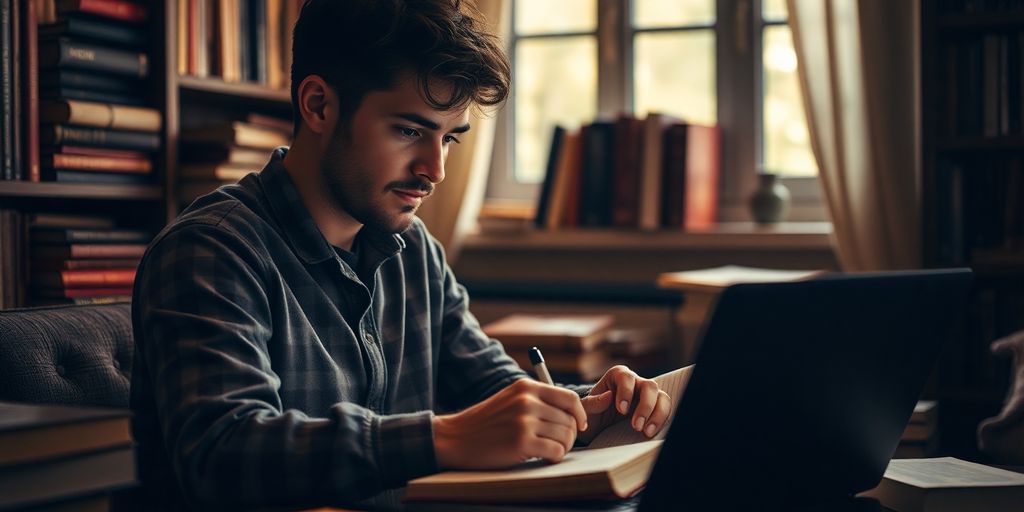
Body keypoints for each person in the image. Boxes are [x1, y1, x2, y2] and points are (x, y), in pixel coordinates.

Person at [130, 0, 672, 510]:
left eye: (449, 139)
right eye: (410, 130)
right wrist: (447, 437)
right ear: (318, 105)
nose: (434, 170)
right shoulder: (209, 251)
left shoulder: (415, 253)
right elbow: (223, 455)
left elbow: (498, 393)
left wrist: (593, 410)